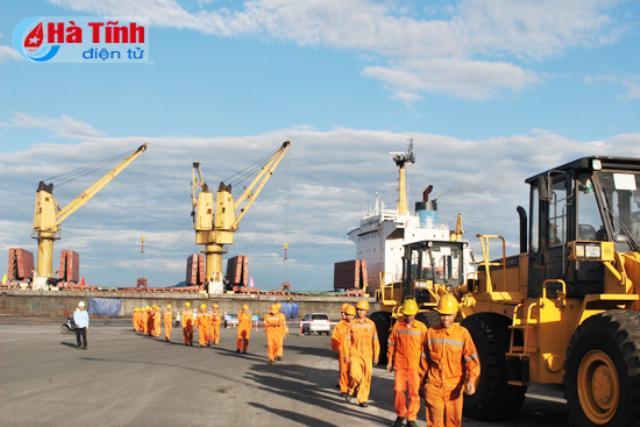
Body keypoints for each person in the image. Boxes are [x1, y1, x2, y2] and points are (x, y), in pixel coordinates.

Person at [422, 294, 480, 427]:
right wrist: (421, 384)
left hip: (454, 388)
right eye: (443, 314)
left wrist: (471, 380)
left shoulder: (462, 334)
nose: (446, 318)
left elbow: (472, 360)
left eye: (449, 315)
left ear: (455, 314)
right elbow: (424, 361)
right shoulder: (431, 333)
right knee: (434, 423)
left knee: (453, 423)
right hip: (434, 386)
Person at [388, 300, 427, 427]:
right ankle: (400, 415)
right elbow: (391, 344)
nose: (409, 317)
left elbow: (425, 349)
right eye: (406, 314)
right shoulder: (397, 326)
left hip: (415, 367)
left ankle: (411, 419)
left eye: (411, 314)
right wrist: (389, 361)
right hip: (400, 365)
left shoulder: (421, 328)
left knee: (414, 393)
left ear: (415, 313)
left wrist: (424, 368)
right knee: (398, 391)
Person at [343, 299, 379, 407]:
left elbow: (375, 341)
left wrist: (376, 355)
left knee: (366, 378)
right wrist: (346, 355)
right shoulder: (352, 324)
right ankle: (351, 389)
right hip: (355, 354)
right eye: (358, 309)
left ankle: (362, 399)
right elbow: (347, 341)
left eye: (362, 310)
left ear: (367, 311)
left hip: (368, 355)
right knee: (354, 375)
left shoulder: (371, 324)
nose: (360, 312)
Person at [332, 303, 354, 397]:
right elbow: (335, 338)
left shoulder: (355, 324)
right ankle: (344, 389)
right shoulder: (339, 325)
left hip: (353, 352)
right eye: (342, 312)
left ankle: (353, 388)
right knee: (343, 371)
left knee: (353, 371)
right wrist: (337, 349)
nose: (342, 314)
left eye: (344, 312)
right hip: (342, 352)